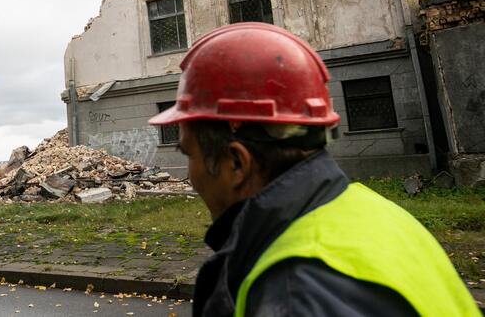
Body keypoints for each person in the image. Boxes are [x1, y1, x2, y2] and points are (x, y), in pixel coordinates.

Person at [149, 23, 479, 317]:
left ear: (237, 163)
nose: (190, 176)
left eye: (188, 152)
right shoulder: (373, 213)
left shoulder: (294, 291)